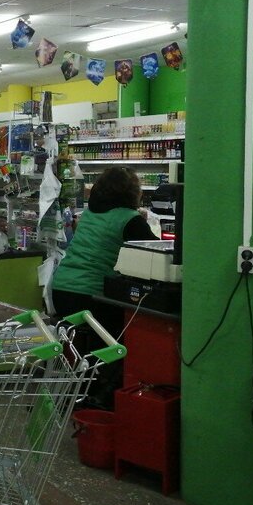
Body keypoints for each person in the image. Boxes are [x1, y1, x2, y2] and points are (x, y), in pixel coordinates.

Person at [51, 166, 158, 408]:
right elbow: (156, 251)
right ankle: (104, 394)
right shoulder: (129, 219)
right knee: (129, 332)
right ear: (132, 192)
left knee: (88, 338)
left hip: (62, 289)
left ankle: (84, 385)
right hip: (91, 295)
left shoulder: (89, 213)